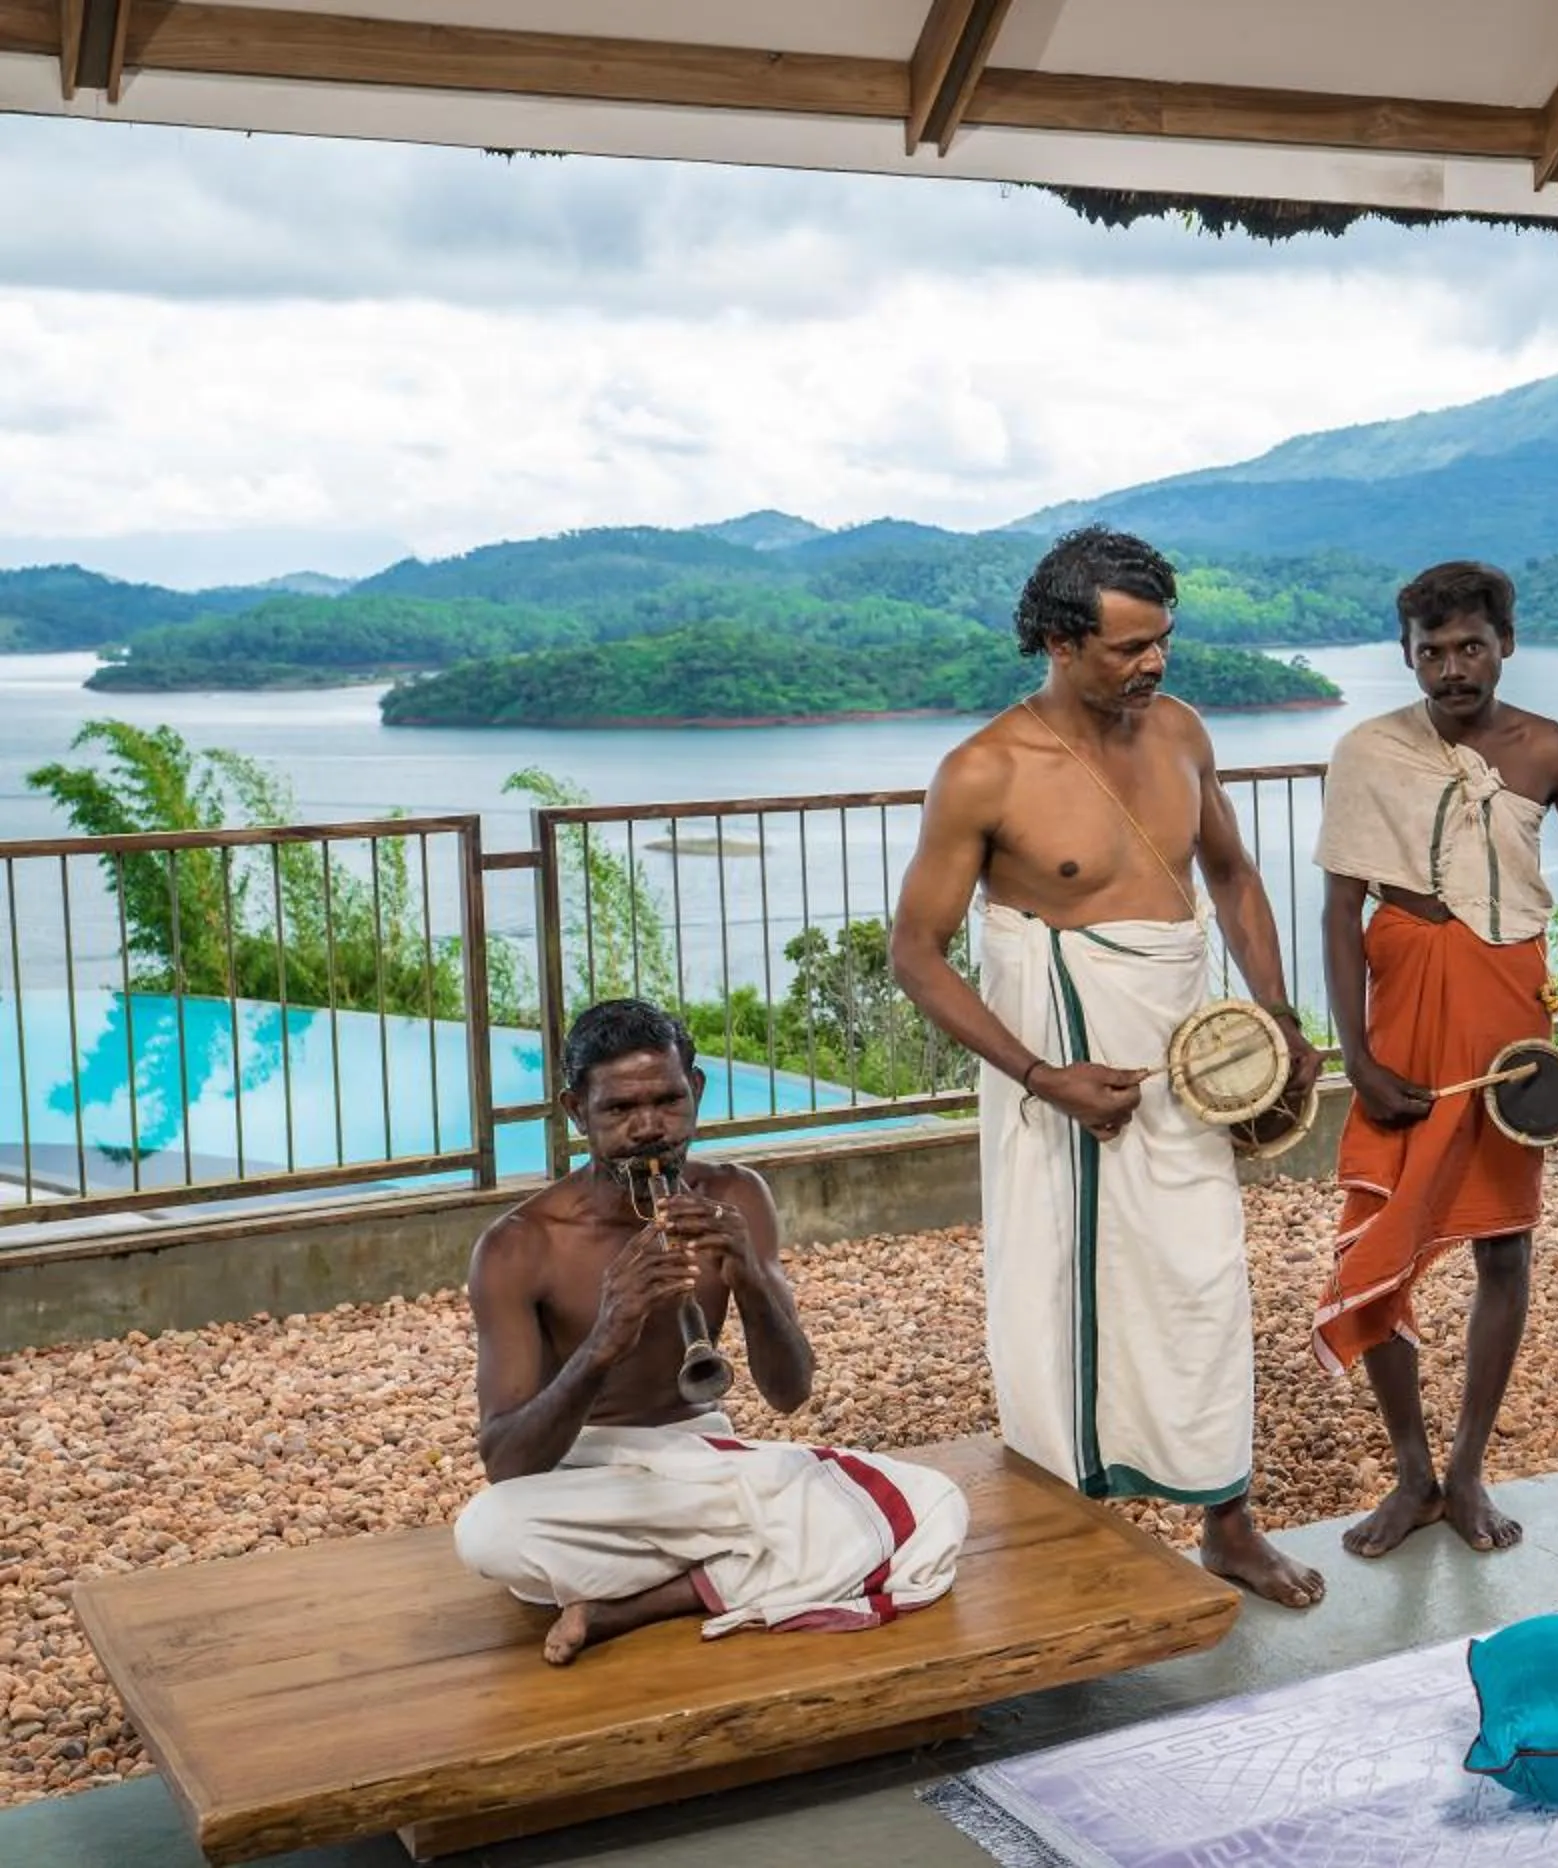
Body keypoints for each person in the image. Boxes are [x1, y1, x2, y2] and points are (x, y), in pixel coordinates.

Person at [889, 524, 1328, 1609]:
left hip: (1182, 1066)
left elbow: (1232, 877)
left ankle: (1229, 1524)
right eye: (1130, 646)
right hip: (1061, 1083)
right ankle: (1067, 1536)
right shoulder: (985, 770)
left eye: (1162, 639)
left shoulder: (1180, 732)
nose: (1154, 663)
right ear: (1059, 641)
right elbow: (916, 953)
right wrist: (1042, 1075)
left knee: (1203, 1279)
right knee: (1059, 1289)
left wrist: (1276, 1017)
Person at [455, 998, 968, 1664]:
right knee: (489, 1533)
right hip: (583, 1477)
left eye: (668, 1101)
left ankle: (635, 1604)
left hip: (705, 1463)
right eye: (619, 1109)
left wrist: (750, 1278)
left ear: (695, 1090)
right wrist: (604, 1341)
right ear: (576, 1110)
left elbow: (789, 1393)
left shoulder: (737, 1196)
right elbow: (506, 1462)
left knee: (937, 1503)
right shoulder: (519, 1246)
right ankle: (758, 1556)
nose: (649, 1128)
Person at [1311, 561, 1558, 1559]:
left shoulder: (1548, 750)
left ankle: (1465, 1470)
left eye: (1471, 646)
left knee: (1503, 1244)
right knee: (1380, 1233)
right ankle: (1410, 1471)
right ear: (1406, 655)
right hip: (1403, 1015)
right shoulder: (1369, 752)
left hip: (1507, 1018)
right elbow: (1339, 912)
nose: (1453, 668)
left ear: (1507, 644)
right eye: (1433, 651)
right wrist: (1358, 1059)